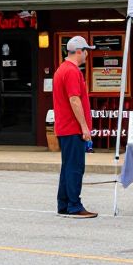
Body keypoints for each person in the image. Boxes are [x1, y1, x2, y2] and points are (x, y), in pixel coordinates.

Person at [52, 35, 97, 218]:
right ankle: (74, 206)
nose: (87, 55)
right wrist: (84, 127)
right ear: (79, 51)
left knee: (67, 166)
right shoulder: (72, 71)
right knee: (75, 167)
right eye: (86, 51)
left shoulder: (61, 69)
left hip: (65, 127)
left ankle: (64, 204)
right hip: (72, 128)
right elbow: (74, 99)